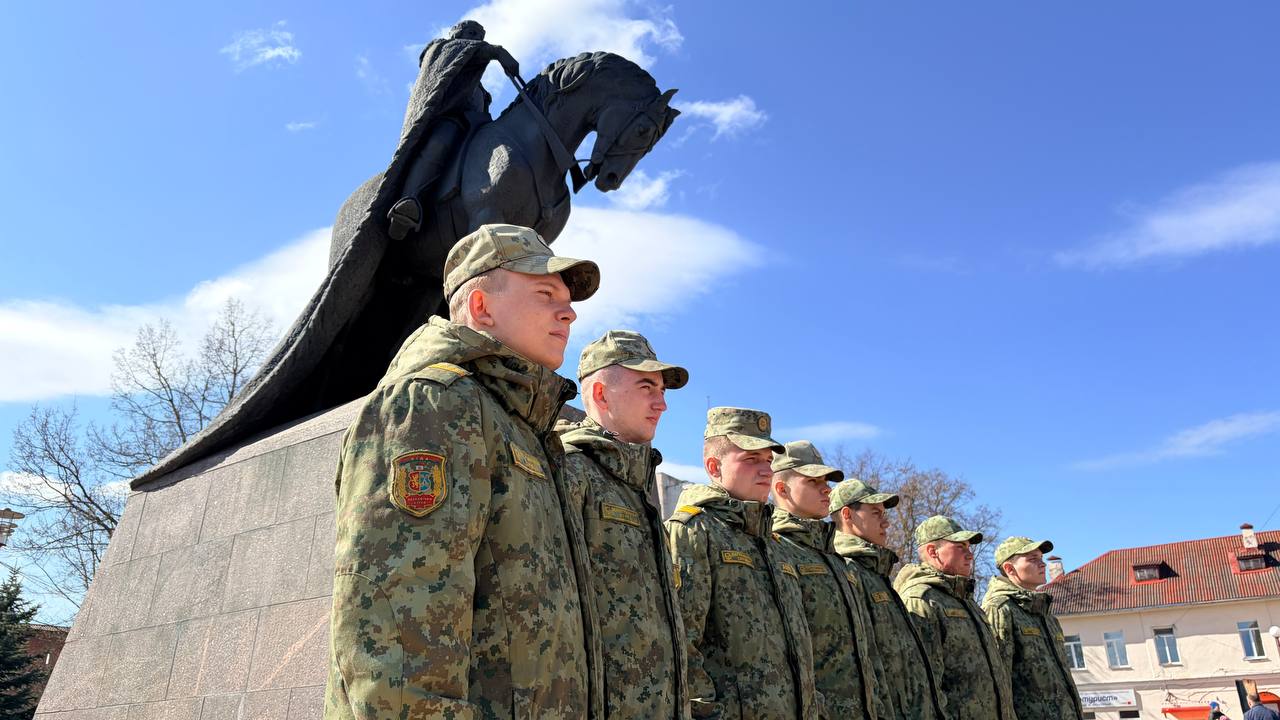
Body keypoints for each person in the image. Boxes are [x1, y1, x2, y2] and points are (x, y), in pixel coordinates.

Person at [325, 223, 603, 719]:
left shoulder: (525, 429)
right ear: (481, 307)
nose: (568, 312)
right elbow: (397, 632)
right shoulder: (433, 404)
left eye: (566, 299)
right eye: (544, 293)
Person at [557, 330, 691, 718]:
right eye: (647, 386)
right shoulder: (567, 469)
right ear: (600, 394)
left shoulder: (634, 487)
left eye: (662, 390)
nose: (661, 404)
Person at [666, 407, 821, 719]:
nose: (766, 470)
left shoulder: (775, 546)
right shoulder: (695, 530)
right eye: (751, 460)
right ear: (714, 466)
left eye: (768, 460)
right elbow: (681, 642)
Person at [770, 441, 881, 720]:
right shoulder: (775, 549)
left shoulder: (837, 561)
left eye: (826, 481)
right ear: (781, 489)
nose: (826, 489)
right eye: (813, 481)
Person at [387, 20, 520, 240]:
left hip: (474, 129)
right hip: (447, 120)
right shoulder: (440, 50)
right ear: (456, 35)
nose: (476, 38)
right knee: (441, 141)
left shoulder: (479, 88)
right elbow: (460, 50)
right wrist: (496, 51)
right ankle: (408, 203)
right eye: (470, 33)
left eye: (479, 35)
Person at [830, 478, 946, 720]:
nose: (887, 521)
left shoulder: (875, 572)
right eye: (876, 513)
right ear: (847, 514)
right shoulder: (845, 569)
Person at [895, 515, 1016, 720]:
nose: (970, 555)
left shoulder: (967, 602)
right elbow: (922, 688)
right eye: (960, 547)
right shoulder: (921, 599)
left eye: (969, 547)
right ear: (933, 551)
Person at [982, 535, 1085, 720]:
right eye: (1033, 559)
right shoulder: (1000, 609)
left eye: (1042, 558)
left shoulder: (1046, 615)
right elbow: (998, 681)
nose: (1043, 564)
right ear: (1009, 568)